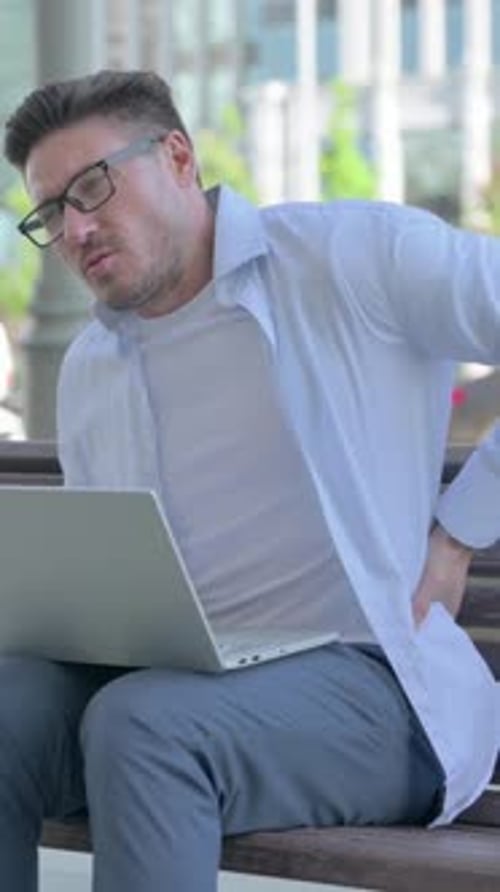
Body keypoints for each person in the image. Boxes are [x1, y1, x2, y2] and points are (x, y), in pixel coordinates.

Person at [2, 69, 499, 892]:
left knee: (147, 727)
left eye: (93, 187)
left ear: (179, 156)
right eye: (51, 213)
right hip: (186, 681)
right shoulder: (94, 365)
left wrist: (461, 530)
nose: (76, 228)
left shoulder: (353, 258)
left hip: (375, 686)